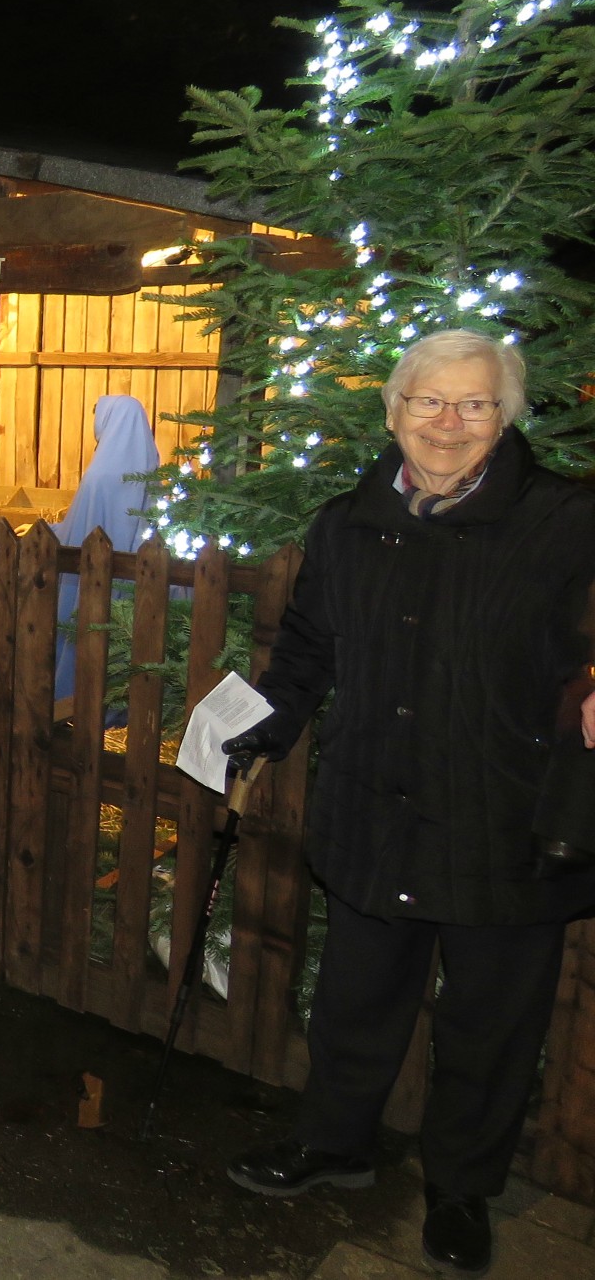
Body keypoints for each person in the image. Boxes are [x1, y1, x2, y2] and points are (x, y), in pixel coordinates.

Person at [219, 329, 595, 1278]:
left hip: (504, 821)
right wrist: (258, 726)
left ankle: (462, 1190)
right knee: (356, 998)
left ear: (504, 418)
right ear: (392, 411)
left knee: (488, 1022)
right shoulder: (347, 523)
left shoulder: (566, 521)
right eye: (428, 402)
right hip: (375, 806)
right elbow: (308, 648)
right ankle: (336, 1141)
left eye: (474, 405)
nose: (448, 424)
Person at [53, 395, 160, 708]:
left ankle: (76, 697)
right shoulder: (152, 468)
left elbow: (81, 531)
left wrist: (51, 530)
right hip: (140, 582)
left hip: (95, 581)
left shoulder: (98, 477)